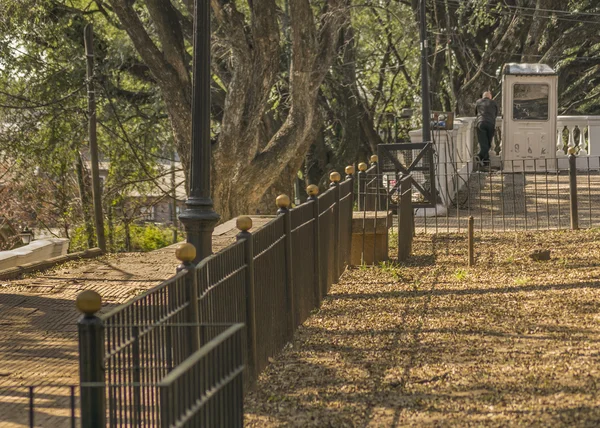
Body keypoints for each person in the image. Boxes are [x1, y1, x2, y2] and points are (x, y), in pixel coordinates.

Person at [475, 91, 498, 167]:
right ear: (490, 97)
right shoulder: (494, 103)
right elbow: (496, 113)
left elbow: (476, 113)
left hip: (481, 123)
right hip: (490, 124)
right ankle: (485, 160)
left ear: (482, 97)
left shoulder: (478, 102)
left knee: (483, 142)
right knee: (488, 143)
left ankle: (481, 157)